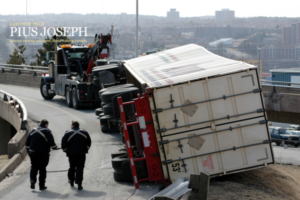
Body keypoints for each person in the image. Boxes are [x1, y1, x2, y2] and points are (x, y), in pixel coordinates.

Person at [25, 119, 58, 190]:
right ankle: (41, 185)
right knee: (42, 168)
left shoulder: (32, 131)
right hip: (43, 153)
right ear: (46, 125)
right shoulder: (47, 131)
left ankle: (32, 180)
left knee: (34, 167)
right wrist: (55, 147)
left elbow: (27, 144)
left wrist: (29, 153)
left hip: (33, 152)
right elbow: (51, 142)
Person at [61, 121, 91, 190]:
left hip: (71, 154)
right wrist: (86, 149)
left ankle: (71, 180)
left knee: (72, 167)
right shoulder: (84, 132)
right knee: (80, 168)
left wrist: (66, 151)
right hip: (81, 153)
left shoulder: (67, 133)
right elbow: (89, 142)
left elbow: (63, 144)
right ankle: (79, 184)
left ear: (72, 126)